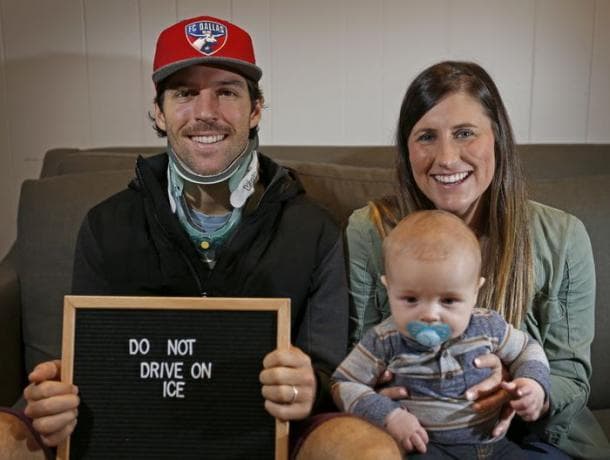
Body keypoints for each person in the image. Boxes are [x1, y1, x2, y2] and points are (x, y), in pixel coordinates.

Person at [10, 15, 348, 458]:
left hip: (258, 440)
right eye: (185, 93)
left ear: (255, 110)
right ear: (159, 110)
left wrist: (312, 388)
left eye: (226, 92)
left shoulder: (313, 229)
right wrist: (57, 399)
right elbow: (89, 361)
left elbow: (327, 369)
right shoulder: (106, 225)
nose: (206, 112)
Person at [344, 61, 609, 458]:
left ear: (497, 138)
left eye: (465, 133)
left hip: (533, 441)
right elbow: (358, 356)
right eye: (426, 137)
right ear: (406, 150)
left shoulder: (562, 237)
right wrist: (382, 396)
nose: (447, 158)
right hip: (417, 439)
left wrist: (517, 388)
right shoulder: (370, 230)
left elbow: (570, 376)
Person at [333, 209, 551, 458]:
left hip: (494, 447)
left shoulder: (489, 327)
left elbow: (527, 349)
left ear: (475, 292)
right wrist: (388, 415)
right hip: (424, 449)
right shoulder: (385, 339)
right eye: (410, 299)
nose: (429, 315)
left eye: (448, 300)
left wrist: (534, 384)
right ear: (389, 288)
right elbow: (343, 384)